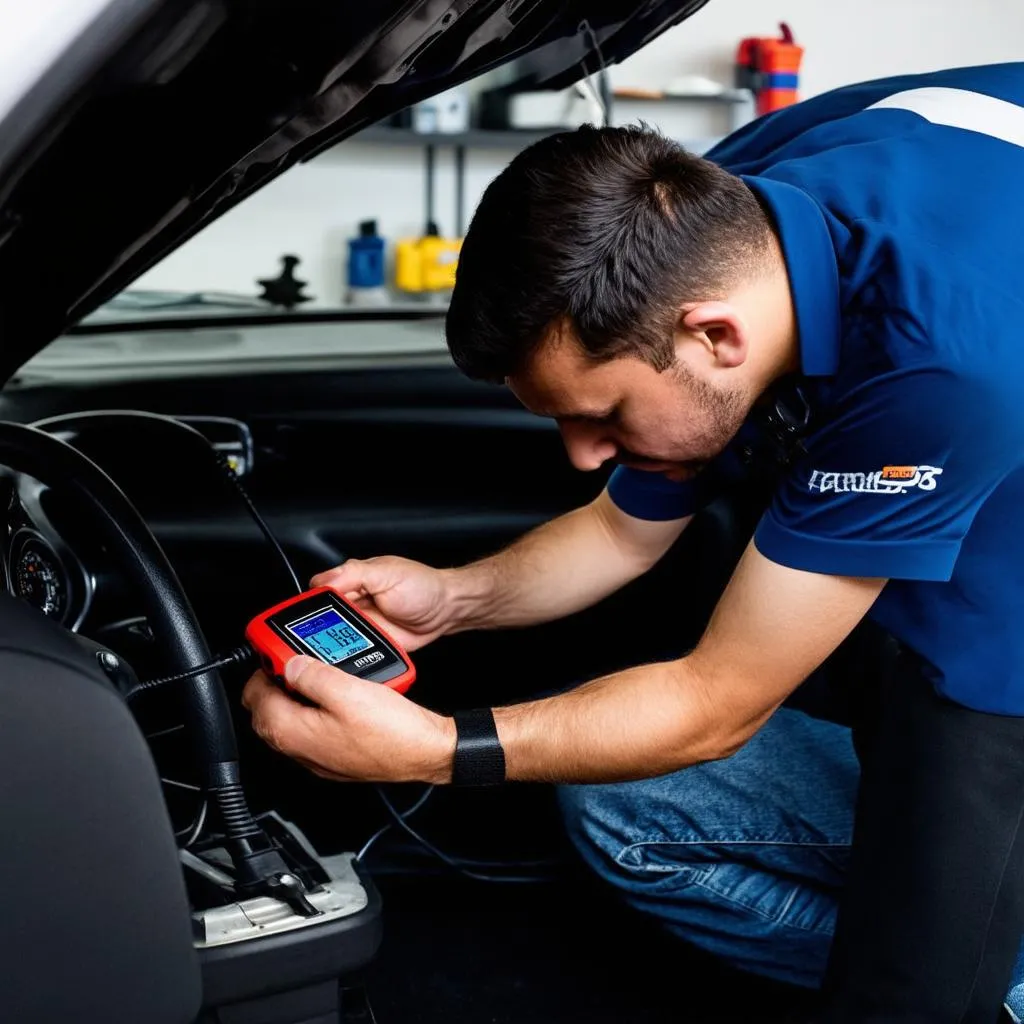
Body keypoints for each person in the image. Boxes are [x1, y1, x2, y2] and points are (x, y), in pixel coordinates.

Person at [242, 62, 1024, 1021]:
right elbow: (623, 527)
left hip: (1000, 639)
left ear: (715, 337)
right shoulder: (718, 213)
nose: (583, 457)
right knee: (625, 813)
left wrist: (436, 749)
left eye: (602, 415)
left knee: (912, 988)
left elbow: (713, 704)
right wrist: (454, 597)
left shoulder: (937, 355)